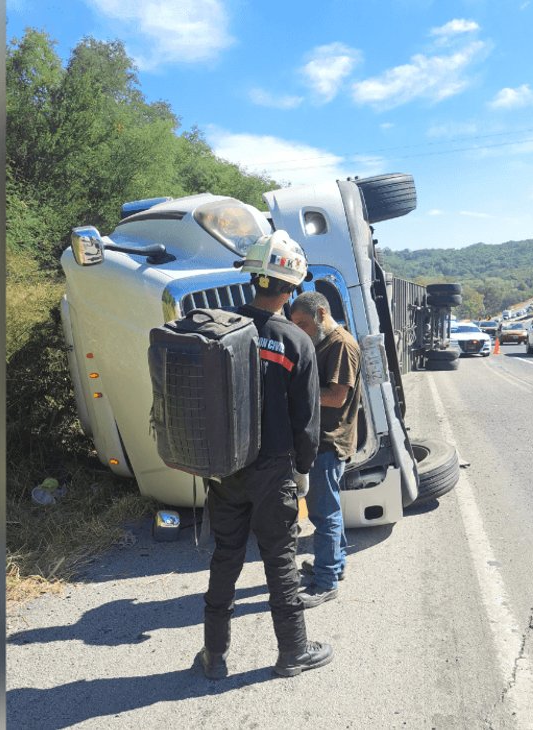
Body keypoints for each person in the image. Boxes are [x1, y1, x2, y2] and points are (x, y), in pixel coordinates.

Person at [195, 230, 334, 680]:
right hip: (274, 471)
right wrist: (305, 470)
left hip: (226, 469)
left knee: (225, 558)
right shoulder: (296, 342)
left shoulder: (222, 330)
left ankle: (214, 656)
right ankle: (292, 652)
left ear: (254, 277)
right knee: (280, 562)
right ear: (291, 288)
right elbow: (306, 421)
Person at [288, 291, 361, 608]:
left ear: (320, 313)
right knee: (328, 508)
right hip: (325, 440)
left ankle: (326, 581)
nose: (299, 330)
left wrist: (295, 392)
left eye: (302, 324)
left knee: (323, 514)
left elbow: (336, 397)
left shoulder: (340, 345)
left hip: (329, 442)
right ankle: (335, 565)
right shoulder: (321, 341)